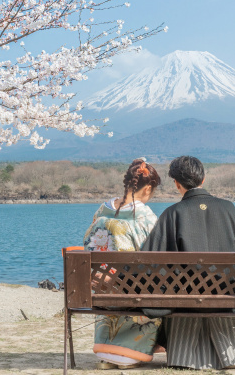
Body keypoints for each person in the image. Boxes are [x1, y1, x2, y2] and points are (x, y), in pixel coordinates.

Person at [141, 155, 235, 370]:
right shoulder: (229, 209)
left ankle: (185, 354)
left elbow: (147, 262)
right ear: (203, 179)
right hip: (229, 296)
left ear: (177, 184)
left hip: (186, 299)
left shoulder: (172, 214)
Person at [82, 158, 162, 369]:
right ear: (148, 189)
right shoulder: (146, 216)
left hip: (101, 290)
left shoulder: (102, 210)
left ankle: (107, 353)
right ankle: (130, 355)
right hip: (133, 290)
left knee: (107, 276)